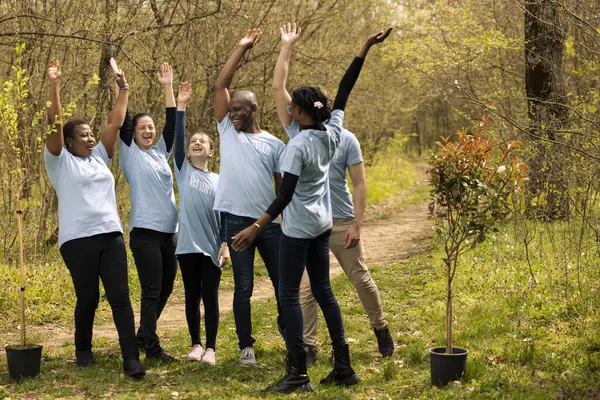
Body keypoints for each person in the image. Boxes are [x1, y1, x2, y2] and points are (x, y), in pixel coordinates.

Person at [232, 24, 392, 394]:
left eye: (292, 107)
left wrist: (256, 226)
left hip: (301, 229)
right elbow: (345, 89)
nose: (286, 107)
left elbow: (284, 195)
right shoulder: (333, 129)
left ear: (300, 113)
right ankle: (344, 367)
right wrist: (364, 47)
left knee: (289, 294)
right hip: (324, 224)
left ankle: (298, 374)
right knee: (324, 291)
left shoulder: (297, 146)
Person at [272, 24, 395, 366]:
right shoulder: (295, 130)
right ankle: (310, 347)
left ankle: (380, 327)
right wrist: (286, 48)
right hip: (309, 226)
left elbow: (359, 183)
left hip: (339, 222)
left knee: (360, 279)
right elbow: (278, 86)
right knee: (307, 290)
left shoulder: (344, 137)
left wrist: (358, 223)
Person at [44, 57, 144, 379]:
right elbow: (54, 124)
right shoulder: (59, 162)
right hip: (76, 240)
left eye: (91, 134)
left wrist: (123, 87)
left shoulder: (100, 157)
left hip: (110, 234)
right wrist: (55, 86)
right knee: (87, 297)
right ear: (70, 141)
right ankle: (83, 350)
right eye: (84, 135)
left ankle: (131, 358)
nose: (90, 139)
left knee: (120, 296)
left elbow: (114, 123)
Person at [213, 28, 286, 366]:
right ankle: (246, 347)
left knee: (282, 283)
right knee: (243, 287)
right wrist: (241, 47)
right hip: (235, 222)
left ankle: (291, 333)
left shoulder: (274, 144)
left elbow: (283, 188)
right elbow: (220, 87)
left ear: (255, 109)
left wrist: (281, 220)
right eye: (231, 110)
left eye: (241, 109)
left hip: (268, 225)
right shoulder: (227, 132)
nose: (234, 114)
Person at [119, 62, 178, 362]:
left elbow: (171, 123)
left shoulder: (159, 153)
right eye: (142, 127)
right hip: (144, 232)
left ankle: (144, 333)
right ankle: (152, 348)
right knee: (152, 289)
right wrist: (122, 86)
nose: (148, 130)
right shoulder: (130, 154)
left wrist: (168, 86)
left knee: (167, 285)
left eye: (150, 128)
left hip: (170, 232)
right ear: (134, 133)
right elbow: (124, 121)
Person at [174, 82, 230, 365]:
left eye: (203, 142)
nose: (196, 142)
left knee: (211, 297)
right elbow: (179, 138)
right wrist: (181, 105)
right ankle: (195, 344)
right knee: (191, 295)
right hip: (186, 247)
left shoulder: (220, 181)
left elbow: (225, 216)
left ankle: (211, 348)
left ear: (211, 153)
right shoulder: (183, 171)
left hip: (212, 247)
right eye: (194, 141)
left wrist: (224, 245)